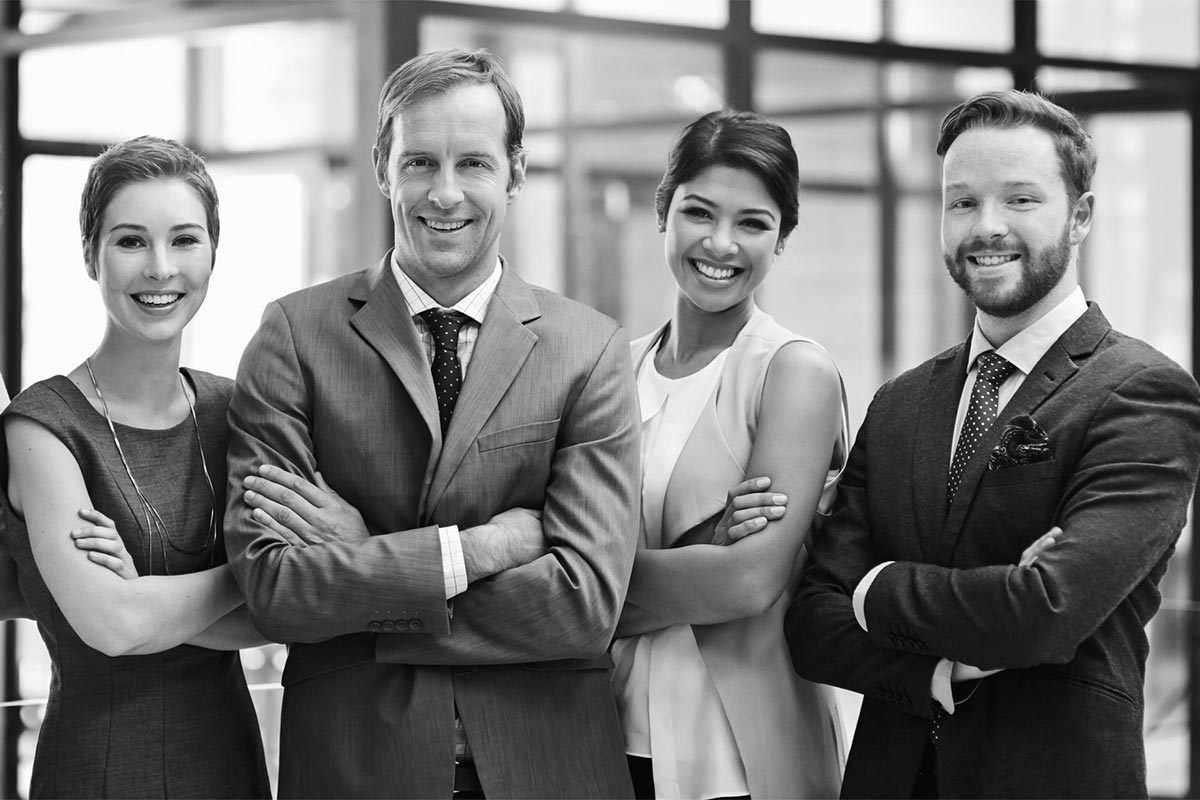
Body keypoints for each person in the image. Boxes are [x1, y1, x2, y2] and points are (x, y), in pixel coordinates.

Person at [223, 48, 641, 798]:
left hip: (550, 766)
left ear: (515, 171)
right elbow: (275, 587)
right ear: (383, 165)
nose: (444, 194)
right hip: (357, 767)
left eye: (473, 164)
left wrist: (368, 565)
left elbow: (584, 605)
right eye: (420, 162)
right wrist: (471, 551)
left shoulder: (590, 349)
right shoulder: (294, 336)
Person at [786, 89, 1200, 799]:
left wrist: (877, 587)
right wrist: (941, 668)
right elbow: (813, 621)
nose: (987, 227)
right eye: (961, 201)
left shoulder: (1142, 392)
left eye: (1020, 200)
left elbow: (1045, 610)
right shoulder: (901, 404)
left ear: (1081, 217)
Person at [1, 136, 271, 798]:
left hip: (230, 766)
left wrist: (149, 595)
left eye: (183, 240)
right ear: (90, 254)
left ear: (213, 253)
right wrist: (251, 571)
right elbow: (114, 625)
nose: (159, 268)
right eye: (130, 241)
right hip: (99, 768)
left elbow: (286, 613)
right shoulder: (41, 428)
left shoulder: (237, 408)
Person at [610, 109, 846, 800]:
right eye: (699, 212)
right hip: (610, 738)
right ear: (663, 212)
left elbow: (746, 584)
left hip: (741, 756)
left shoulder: (793, 372)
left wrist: (596, 580)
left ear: (783, 240)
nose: (721, 243)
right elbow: (560, 559)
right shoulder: (611, 373)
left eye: (753, 223)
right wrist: (701, 548)